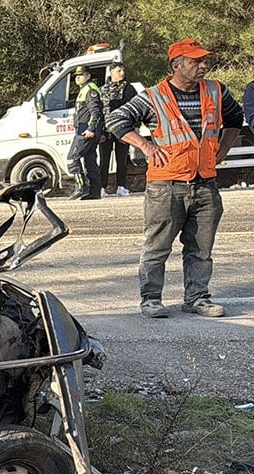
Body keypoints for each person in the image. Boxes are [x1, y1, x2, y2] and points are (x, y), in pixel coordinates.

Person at [105, 38, 243, 319]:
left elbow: (235, 118)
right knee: (157, 247)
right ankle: (151, 300)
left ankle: (197, 298)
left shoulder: (216, 90)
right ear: (177, 65)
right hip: (166, 185)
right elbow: (115, 121)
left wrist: (223, 148)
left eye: (204, 60)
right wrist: (146, 146)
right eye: (195, 61)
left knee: (201, 249)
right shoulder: (153, 96)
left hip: (205, 183)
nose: (203, 65)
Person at [98, 63, 138, 196]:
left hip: (123, 128)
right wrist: (99, 131)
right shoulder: (103, 89)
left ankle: (121, 186)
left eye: (123, 70)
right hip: (107, 130)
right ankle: (102, 187)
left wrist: (136, 126)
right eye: (118, 71)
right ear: (111, 73)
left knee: (122, 160)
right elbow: (99, 111)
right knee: (104, 160)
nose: (122, 73)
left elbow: (136, 108)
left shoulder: (129, 89)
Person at [67, 66, 104, 200]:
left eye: (81, 75)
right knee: (90, 161)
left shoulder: (90, 90)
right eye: (76, 76)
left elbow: (96, 112)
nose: (77, 77)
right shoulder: (85, 89)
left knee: (72, 158)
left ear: (88, 76)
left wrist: (91, 129)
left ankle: (81, 187)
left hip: (85, 132)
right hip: (85, 131)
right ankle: (94, 192)